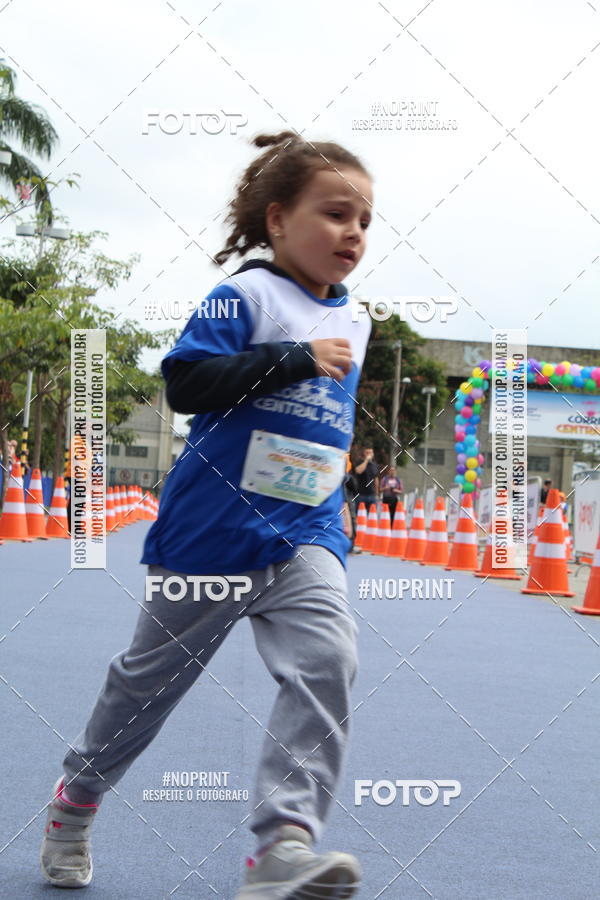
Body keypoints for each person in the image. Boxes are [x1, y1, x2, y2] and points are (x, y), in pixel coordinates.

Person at [40, 131, 373, 899]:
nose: (352, 232)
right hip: (212, 533)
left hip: (306, 534)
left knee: (330, 662)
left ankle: (284, 845)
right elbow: (187, 384)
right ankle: (76, 802)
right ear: (279, 217)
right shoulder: (246, 294)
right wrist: (292, 358)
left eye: (365, 220)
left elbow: (326, 421)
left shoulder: (356, 319)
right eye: (335, 213)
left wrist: (338, 498)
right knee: (144, 690)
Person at [352, 445, 379, 512]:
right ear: (363, 453)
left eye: (370, 453)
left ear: (373, 454)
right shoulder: (359, 462)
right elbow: (358, 471)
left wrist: (377, 493)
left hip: (372, 495)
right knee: (360, 516)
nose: (369, 454)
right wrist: (366, 461)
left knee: (372, 516)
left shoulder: (374, 465)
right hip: (361, 494)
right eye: (367, 452)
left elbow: (376, 479)